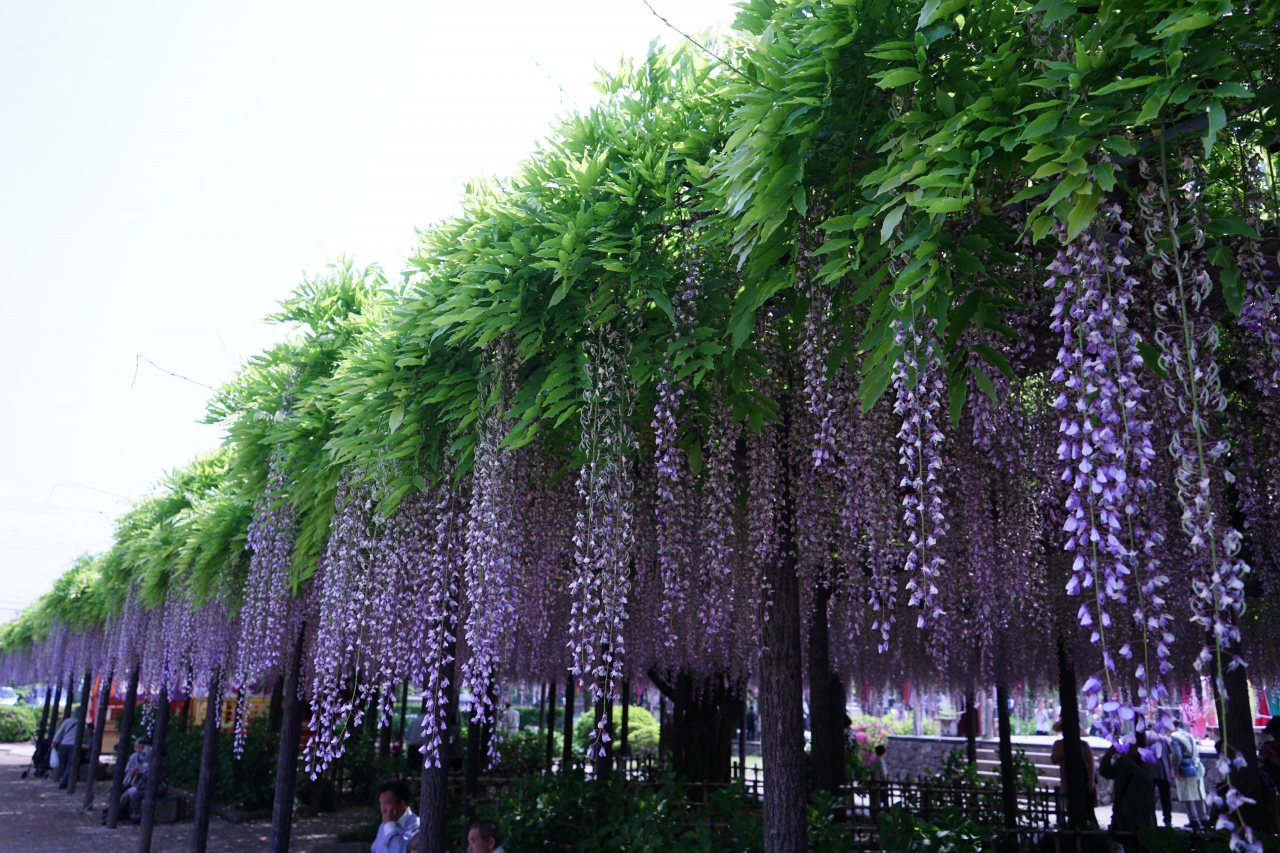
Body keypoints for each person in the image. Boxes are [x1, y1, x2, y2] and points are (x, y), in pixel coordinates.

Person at [1098, 735, 1156, 850]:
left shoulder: (1145, 762)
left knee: (1142, 846)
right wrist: (1108, 755)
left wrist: (1125, 758)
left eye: (1131, 746)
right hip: (1123, 814)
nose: (1127, 748)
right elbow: (1106, 772)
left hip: (1141, 815)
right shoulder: (1122, 763)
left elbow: (1144, 775)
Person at [1050, 720, 1098, 816]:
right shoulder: (1058, 744)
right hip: (1068, 778)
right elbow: (1054, 759)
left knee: (1087, 809)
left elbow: (1091, 763)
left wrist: (1091, 780)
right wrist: (1064, 747)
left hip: (1083, 779)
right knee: (1071, 807)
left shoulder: (1084, 745)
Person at [1169, 718, 1209, 830]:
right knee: (1198, 793)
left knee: (1188, 795)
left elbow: (1177, 755)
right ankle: (1203, 817)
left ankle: (1194, 819)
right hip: (1195, 765)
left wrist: (1176, 770)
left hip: (1185, 768)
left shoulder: (1174, 737)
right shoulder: (1187, 734)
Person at [372, 780, 419, 853]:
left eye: (386, 804)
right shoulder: (384, 825)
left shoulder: (416, 826)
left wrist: (389, 825)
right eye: (381, 804)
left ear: (401, 803)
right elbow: (375, 849)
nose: (383, 810)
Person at [1149, 730, 1175, 828]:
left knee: (1149, 796)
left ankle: (1151, 818)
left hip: (1150, 770)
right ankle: (1167, 819)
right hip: (1164, 770)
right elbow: (1170, 753)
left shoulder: (1146, 736)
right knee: (1165, 797)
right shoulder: (1165, 738)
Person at [868, 743, 890, 810]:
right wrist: (886, 782)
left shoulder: (876, 760)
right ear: (883, 752)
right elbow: (883, 772)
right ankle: (886, 812)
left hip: (875, 781)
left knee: (878, 798)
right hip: (880, 782)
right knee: (883, 797)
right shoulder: (880, 760)